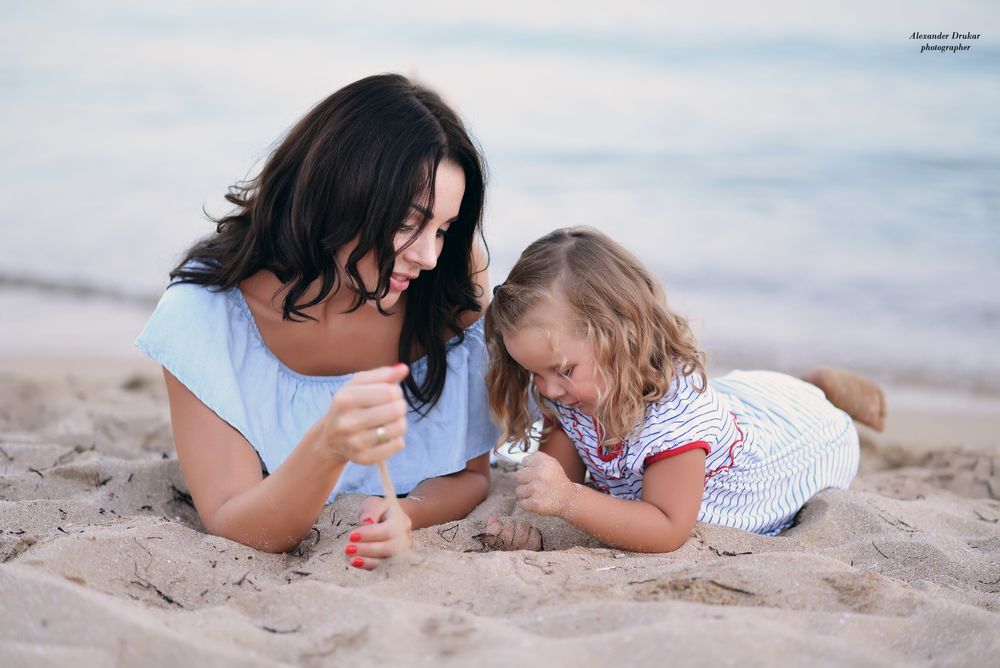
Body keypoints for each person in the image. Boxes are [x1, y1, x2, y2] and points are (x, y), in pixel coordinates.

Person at [135, 74, 498, 569]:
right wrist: (328, 445)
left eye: (443, 228)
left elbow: (474, 473)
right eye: (408, 223)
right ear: (341, 194)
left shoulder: (449, 287)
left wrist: (407, 512)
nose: (430, 255)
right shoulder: (207, 316)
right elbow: (234, 522)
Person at [483, 227, 886, 553]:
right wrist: (541, 507)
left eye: (563, 370)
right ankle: (804, 387)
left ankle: (820, 396)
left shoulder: (675, 425)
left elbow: (666, 527)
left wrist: (570, 500)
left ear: (622, 339)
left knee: (776, 412)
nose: (548, 389)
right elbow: (557, 481)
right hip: (740, 406)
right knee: (734, 400)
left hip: (804, 446)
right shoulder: (572, 390)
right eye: (533, 372)